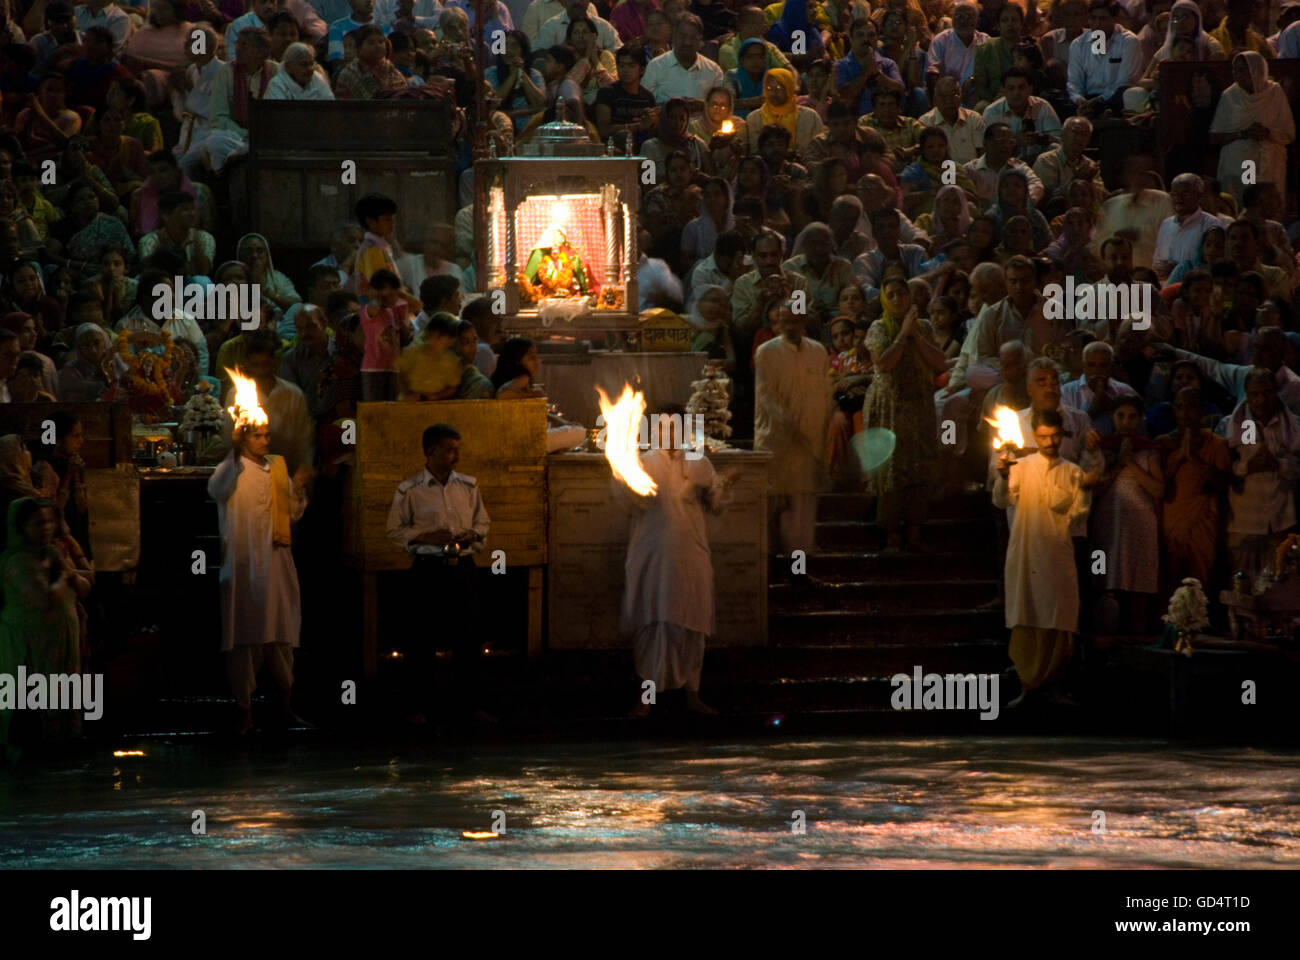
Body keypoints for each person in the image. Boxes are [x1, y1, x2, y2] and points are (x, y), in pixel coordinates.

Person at [621, 403, 733, 718]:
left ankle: (692, 695)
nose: (669, 435)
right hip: (652, 554)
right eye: (663, 428)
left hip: (690, 553)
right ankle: (646, 698)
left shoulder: (699, 462)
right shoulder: (641, 463)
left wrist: (723, 486)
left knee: (692, 624)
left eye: (675, 428)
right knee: (652, 625)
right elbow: (629, 500)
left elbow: (716, 505)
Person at [207, 409, 313, 734]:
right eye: (257, 435)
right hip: (244, 564)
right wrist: (234, 451)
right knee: (244, 637)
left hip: (277, 561)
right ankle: (244, 710)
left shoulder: (276, 467)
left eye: (267, 434)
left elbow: (292, 514)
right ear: (243, 437)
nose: (265, 440)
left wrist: (297, 487)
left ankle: (286, 705)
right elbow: (216, 490)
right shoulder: (232, 468)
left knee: (281, 636)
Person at [384, 423, 493, 724]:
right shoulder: (410, 490)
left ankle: (471, 706)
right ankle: (419, 708)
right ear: (430, 452)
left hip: (463, 567)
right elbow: (394, 529)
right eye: (449, 450)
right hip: (428, 569)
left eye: (457, 449)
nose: (455, 456)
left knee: (469, 638)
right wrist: (424, 537)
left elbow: (483, 522)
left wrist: (472, 535)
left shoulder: (469, 486)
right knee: (421, 639)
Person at [994, 408, 1090, 707]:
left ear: (1062, 434)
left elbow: (1078, 517)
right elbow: (1001, 500)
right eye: (1043, 436)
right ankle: (1028, 686)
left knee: (1059, 621)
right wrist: (1002, 475)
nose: (1049, 442)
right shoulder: (1019, 466)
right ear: (1034, 435)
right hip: (1025, 556)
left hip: (1057, 557)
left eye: (1055, 436)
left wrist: (1086, 492)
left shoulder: (1073, 472)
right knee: (1027, 618)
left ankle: (1055, 686)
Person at [863, 275, 949, 550]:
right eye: (892, 294)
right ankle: (891, 532)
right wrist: (903, 334)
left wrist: (915, 334)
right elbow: (884, 363)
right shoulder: (878, 327)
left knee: (919, 464)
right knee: (892, 467)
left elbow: (939, 361)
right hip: (889, 405)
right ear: (885, 298)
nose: (898, 299)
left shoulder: (922, 326)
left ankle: (914, 528)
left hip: (919, 403)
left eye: (902, 293)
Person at [0, 497, 83, 760]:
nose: (46, 527)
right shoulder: (18, 561)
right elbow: (43, 599)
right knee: (31, 695)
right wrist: (64, 577)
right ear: (20, 526)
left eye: (49, 521)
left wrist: (70, 575)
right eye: (38, 523)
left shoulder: (51, 553)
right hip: (29, 640)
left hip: (57, 638)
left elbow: (84, 586)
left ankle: (59, 743)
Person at [754, 298, 832, 559]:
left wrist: (819, 435)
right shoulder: (767, 352)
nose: (789, 326)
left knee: (802, 515)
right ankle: (770, 571)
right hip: (777, 443)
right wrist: (790, 425)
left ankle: (798, 571)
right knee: (775, 508)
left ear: (804, 321)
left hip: (810, 444)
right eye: (784, 321)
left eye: (795, 321)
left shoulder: (819, 351)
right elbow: (766, 398)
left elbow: (825, 394)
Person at [1219, 367, 1300, 580]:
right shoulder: (1230, 425)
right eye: (1255, 394)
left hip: (1280, 520)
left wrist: (1279, 464)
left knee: (1278, 589)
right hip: (1242, 523)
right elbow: (1219, 470)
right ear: (1247, 394)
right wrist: (1248, 467)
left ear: (1276, 392)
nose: (1261, 400)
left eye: (1267, 393)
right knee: (1240, 590)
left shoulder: (1294, 426)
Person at [1158, 386, 1230, 597]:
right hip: (1172, 519)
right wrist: (1181, 454)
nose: (1185, 413)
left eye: (1191, 407)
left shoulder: (1216, 444)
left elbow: (1222, 483)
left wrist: (1194, 459)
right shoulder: (1165, 443)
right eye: (1180, 407)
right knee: (1171, 579)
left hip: (1203, 520)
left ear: (1202, 411)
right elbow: (1161, 484)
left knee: (1201, 581)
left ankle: (1198, 624)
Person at [1209, 52, 1295, 206]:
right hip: (1242, 161)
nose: (1237, 75)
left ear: (1257, 70)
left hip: (1269, 160)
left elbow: (1288, 131)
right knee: (1246, 199)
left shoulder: (1274, 92)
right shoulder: (1230, 96)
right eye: (1235, 70)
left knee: (1268, 202)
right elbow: (1215, 135)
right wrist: (1243, 133)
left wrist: (1268, 132)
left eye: (1243, 70)